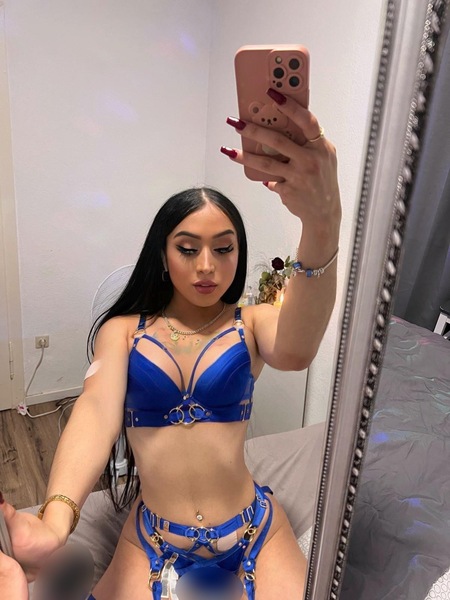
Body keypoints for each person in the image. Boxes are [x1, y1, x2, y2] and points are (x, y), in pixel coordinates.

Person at [0, 87, 341, 599]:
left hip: (254, 531)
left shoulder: (252, 322)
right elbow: (95, 412)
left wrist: (321, 222)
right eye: (187, 248)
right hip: (155, 539)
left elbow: (297, 351)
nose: (207, 266)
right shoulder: (123, 332)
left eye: (223, 249)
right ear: (163, 255)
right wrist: (55, 521)